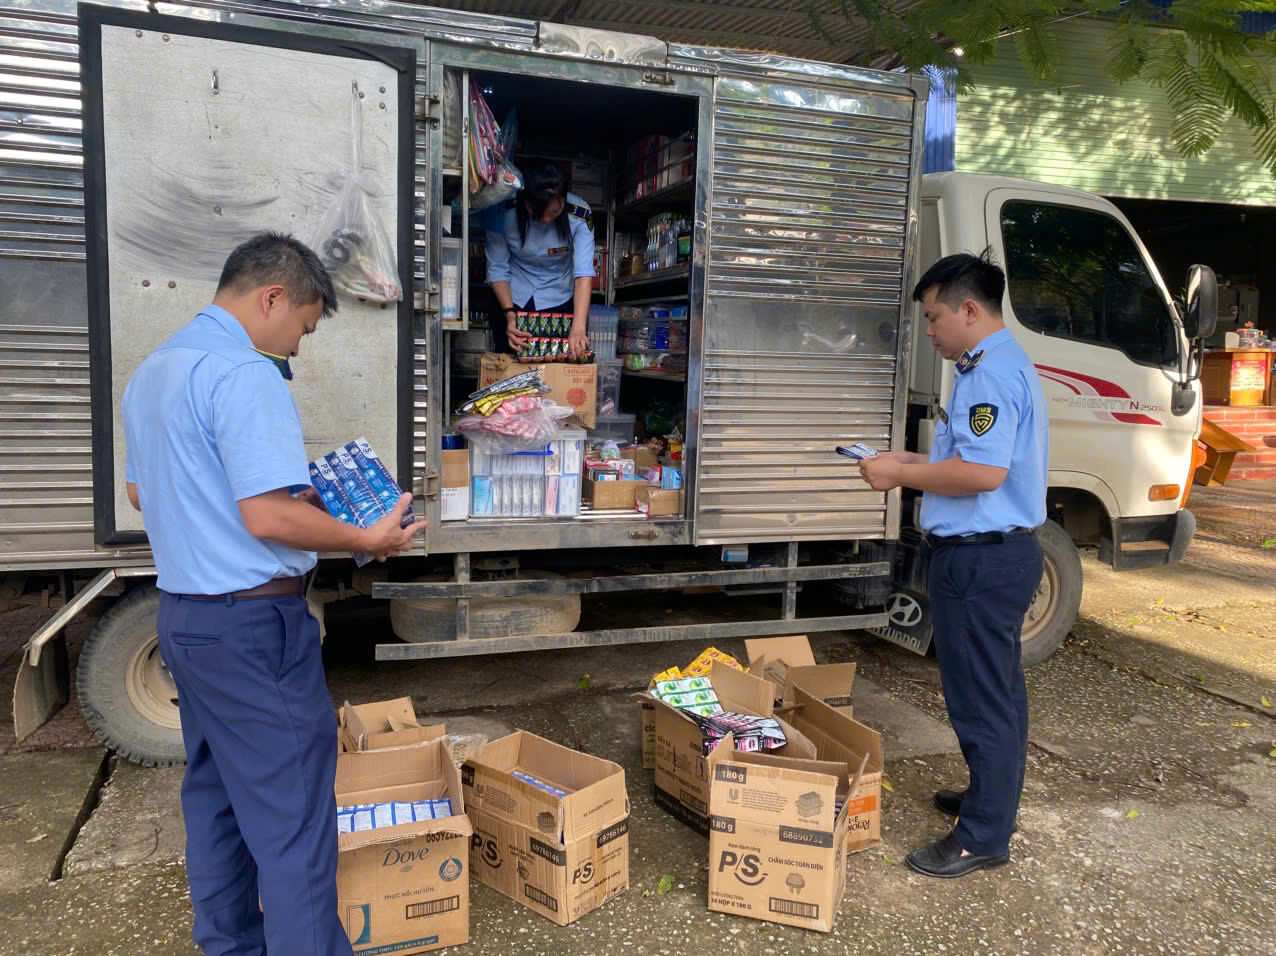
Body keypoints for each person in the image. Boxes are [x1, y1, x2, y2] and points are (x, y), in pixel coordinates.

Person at [121, 232, 423, 954]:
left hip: (187, 620)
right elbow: (265, 517)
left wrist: (281, 505)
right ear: (273, 298)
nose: (298, 348)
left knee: (218, 803)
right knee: (294, 822)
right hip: (253, 629)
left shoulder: (154, 370)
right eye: (304, 329)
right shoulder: (246, 373)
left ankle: (232, 947)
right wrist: (367, 538)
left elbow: (141, 492)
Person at [858, 250, 1048, 879]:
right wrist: (906, 461)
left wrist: (899, 476)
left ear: (969, 309)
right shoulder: (997, 362)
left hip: (980, 559)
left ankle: (983, 836)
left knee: (980, 699)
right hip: (995, 554)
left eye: (933, 316)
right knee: (998, 691)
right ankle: (991, 800)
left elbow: (982, 474)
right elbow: (967, 460)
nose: (929, 330)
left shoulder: (988, 374)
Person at [485, 162, 595, 358]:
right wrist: (509, 314)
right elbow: (498, 267)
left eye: (553, 212)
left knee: (559, 362)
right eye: (536, 213)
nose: (544, 220)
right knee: (509, 361)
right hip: (513, 295)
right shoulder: (501, 210)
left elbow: (583, 273)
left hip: (560, 296)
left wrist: (578, 326)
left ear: (564, 200)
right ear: (525, 200)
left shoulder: (579, 215)